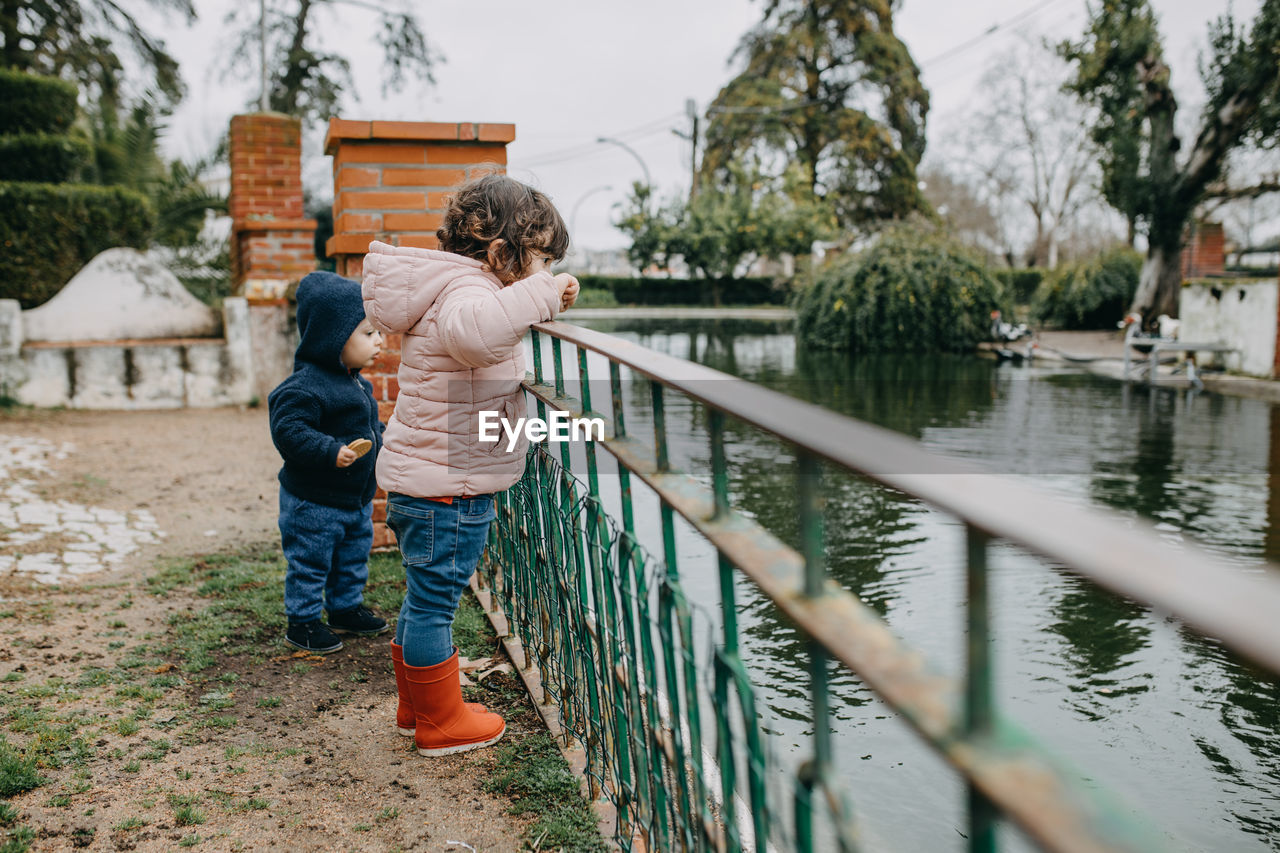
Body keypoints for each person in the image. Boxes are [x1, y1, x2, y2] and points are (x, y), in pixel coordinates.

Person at [361, 174, 579, 756]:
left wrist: (539, 296)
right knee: (435, 604)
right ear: (502, 253)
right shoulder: (468, 295)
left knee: (421, 598)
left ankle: (418, 707)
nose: (542, 273)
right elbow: (474, 335)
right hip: (448, 490)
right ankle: (440, 722)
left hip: (427, 479)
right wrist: (540, 295)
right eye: (538, 260)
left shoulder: (450, 284)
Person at [268, 271, 389, 654]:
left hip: (353, 500)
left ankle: (345, 608)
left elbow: (368, 426)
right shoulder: (304, 386)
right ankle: (302, 621)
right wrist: (328, 450)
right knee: (310, 561)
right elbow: (289, 430)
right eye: (368, 333)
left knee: (352, 557)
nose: (379, 342)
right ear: (333, 336)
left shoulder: (357, 382)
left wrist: (385, 439)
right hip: (313, 503)